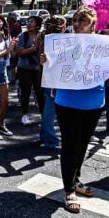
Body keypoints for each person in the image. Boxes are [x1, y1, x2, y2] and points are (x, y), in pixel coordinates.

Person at [41, 7, 109, 214]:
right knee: (70, 145)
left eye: (83, 20)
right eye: (75, 20)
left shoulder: (102, 43)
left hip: (94, 102)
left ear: (93, 24)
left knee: (83, 144)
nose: (77, 23)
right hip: (68, 101)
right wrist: (45, 61)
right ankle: (69, 191)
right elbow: (53, 64)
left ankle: (75, 180)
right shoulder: (64, 42)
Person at [40, 15, 66, 152]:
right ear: (62, 27)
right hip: (53, 79)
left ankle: (45, 135)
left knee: (48, 107)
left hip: (49, 78)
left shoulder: (45, 38)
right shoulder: (54, 40)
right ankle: (50, 139)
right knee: (50, 108)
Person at [16, 16, 45, 126]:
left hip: (38, 69)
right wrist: (33, 48)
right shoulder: (23, 36)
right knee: (25, 91)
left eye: (32, 22)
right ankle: (24, 114)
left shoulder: (42, 36)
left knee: (40, 92)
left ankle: (44, 115)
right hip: (25, 68)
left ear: (38, 25)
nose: (29, 24)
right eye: (28, 22)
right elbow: (20, 52)